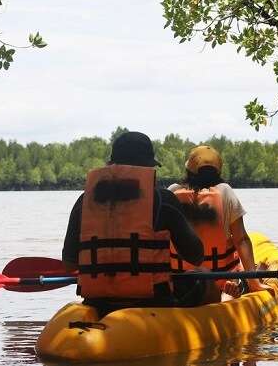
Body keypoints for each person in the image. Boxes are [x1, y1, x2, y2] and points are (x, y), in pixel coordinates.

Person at [62, 131, 209, 314]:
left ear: (111, 164)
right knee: (203, 274)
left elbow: (69, 263)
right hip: (154, 302)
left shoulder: (84, 201)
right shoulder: (163, 199)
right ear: (147, 166)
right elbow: (196, 256)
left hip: (97, 302)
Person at [169, 145, 272, 299]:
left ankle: (228, 287)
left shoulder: (172, 192)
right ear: (218, 172)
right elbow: (241, 239)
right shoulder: (225, 192)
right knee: (245, 268)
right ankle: (239, 284)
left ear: (188, 170)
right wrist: (254, 282)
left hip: (180, 280)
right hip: (217, 277)